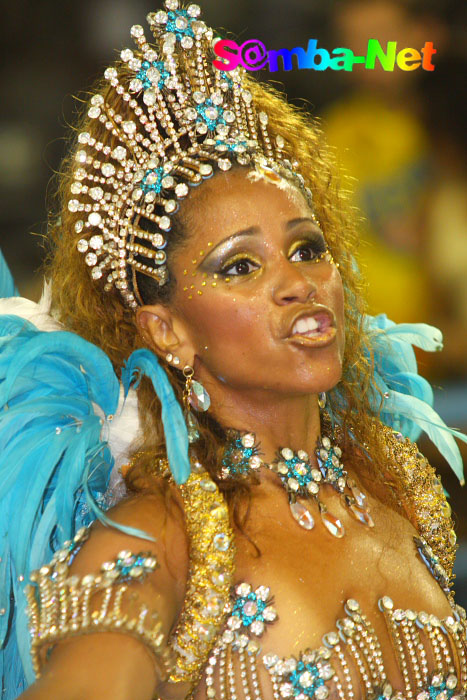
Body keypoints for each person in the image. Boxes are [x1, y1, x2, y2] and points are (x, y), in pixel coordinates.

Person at [0, 2, 466, 699]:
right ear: (167, 332)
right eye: (239, 266)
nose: (298, 284)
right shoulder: (158, 531)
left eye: (306, 249)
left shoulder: (396, 483)